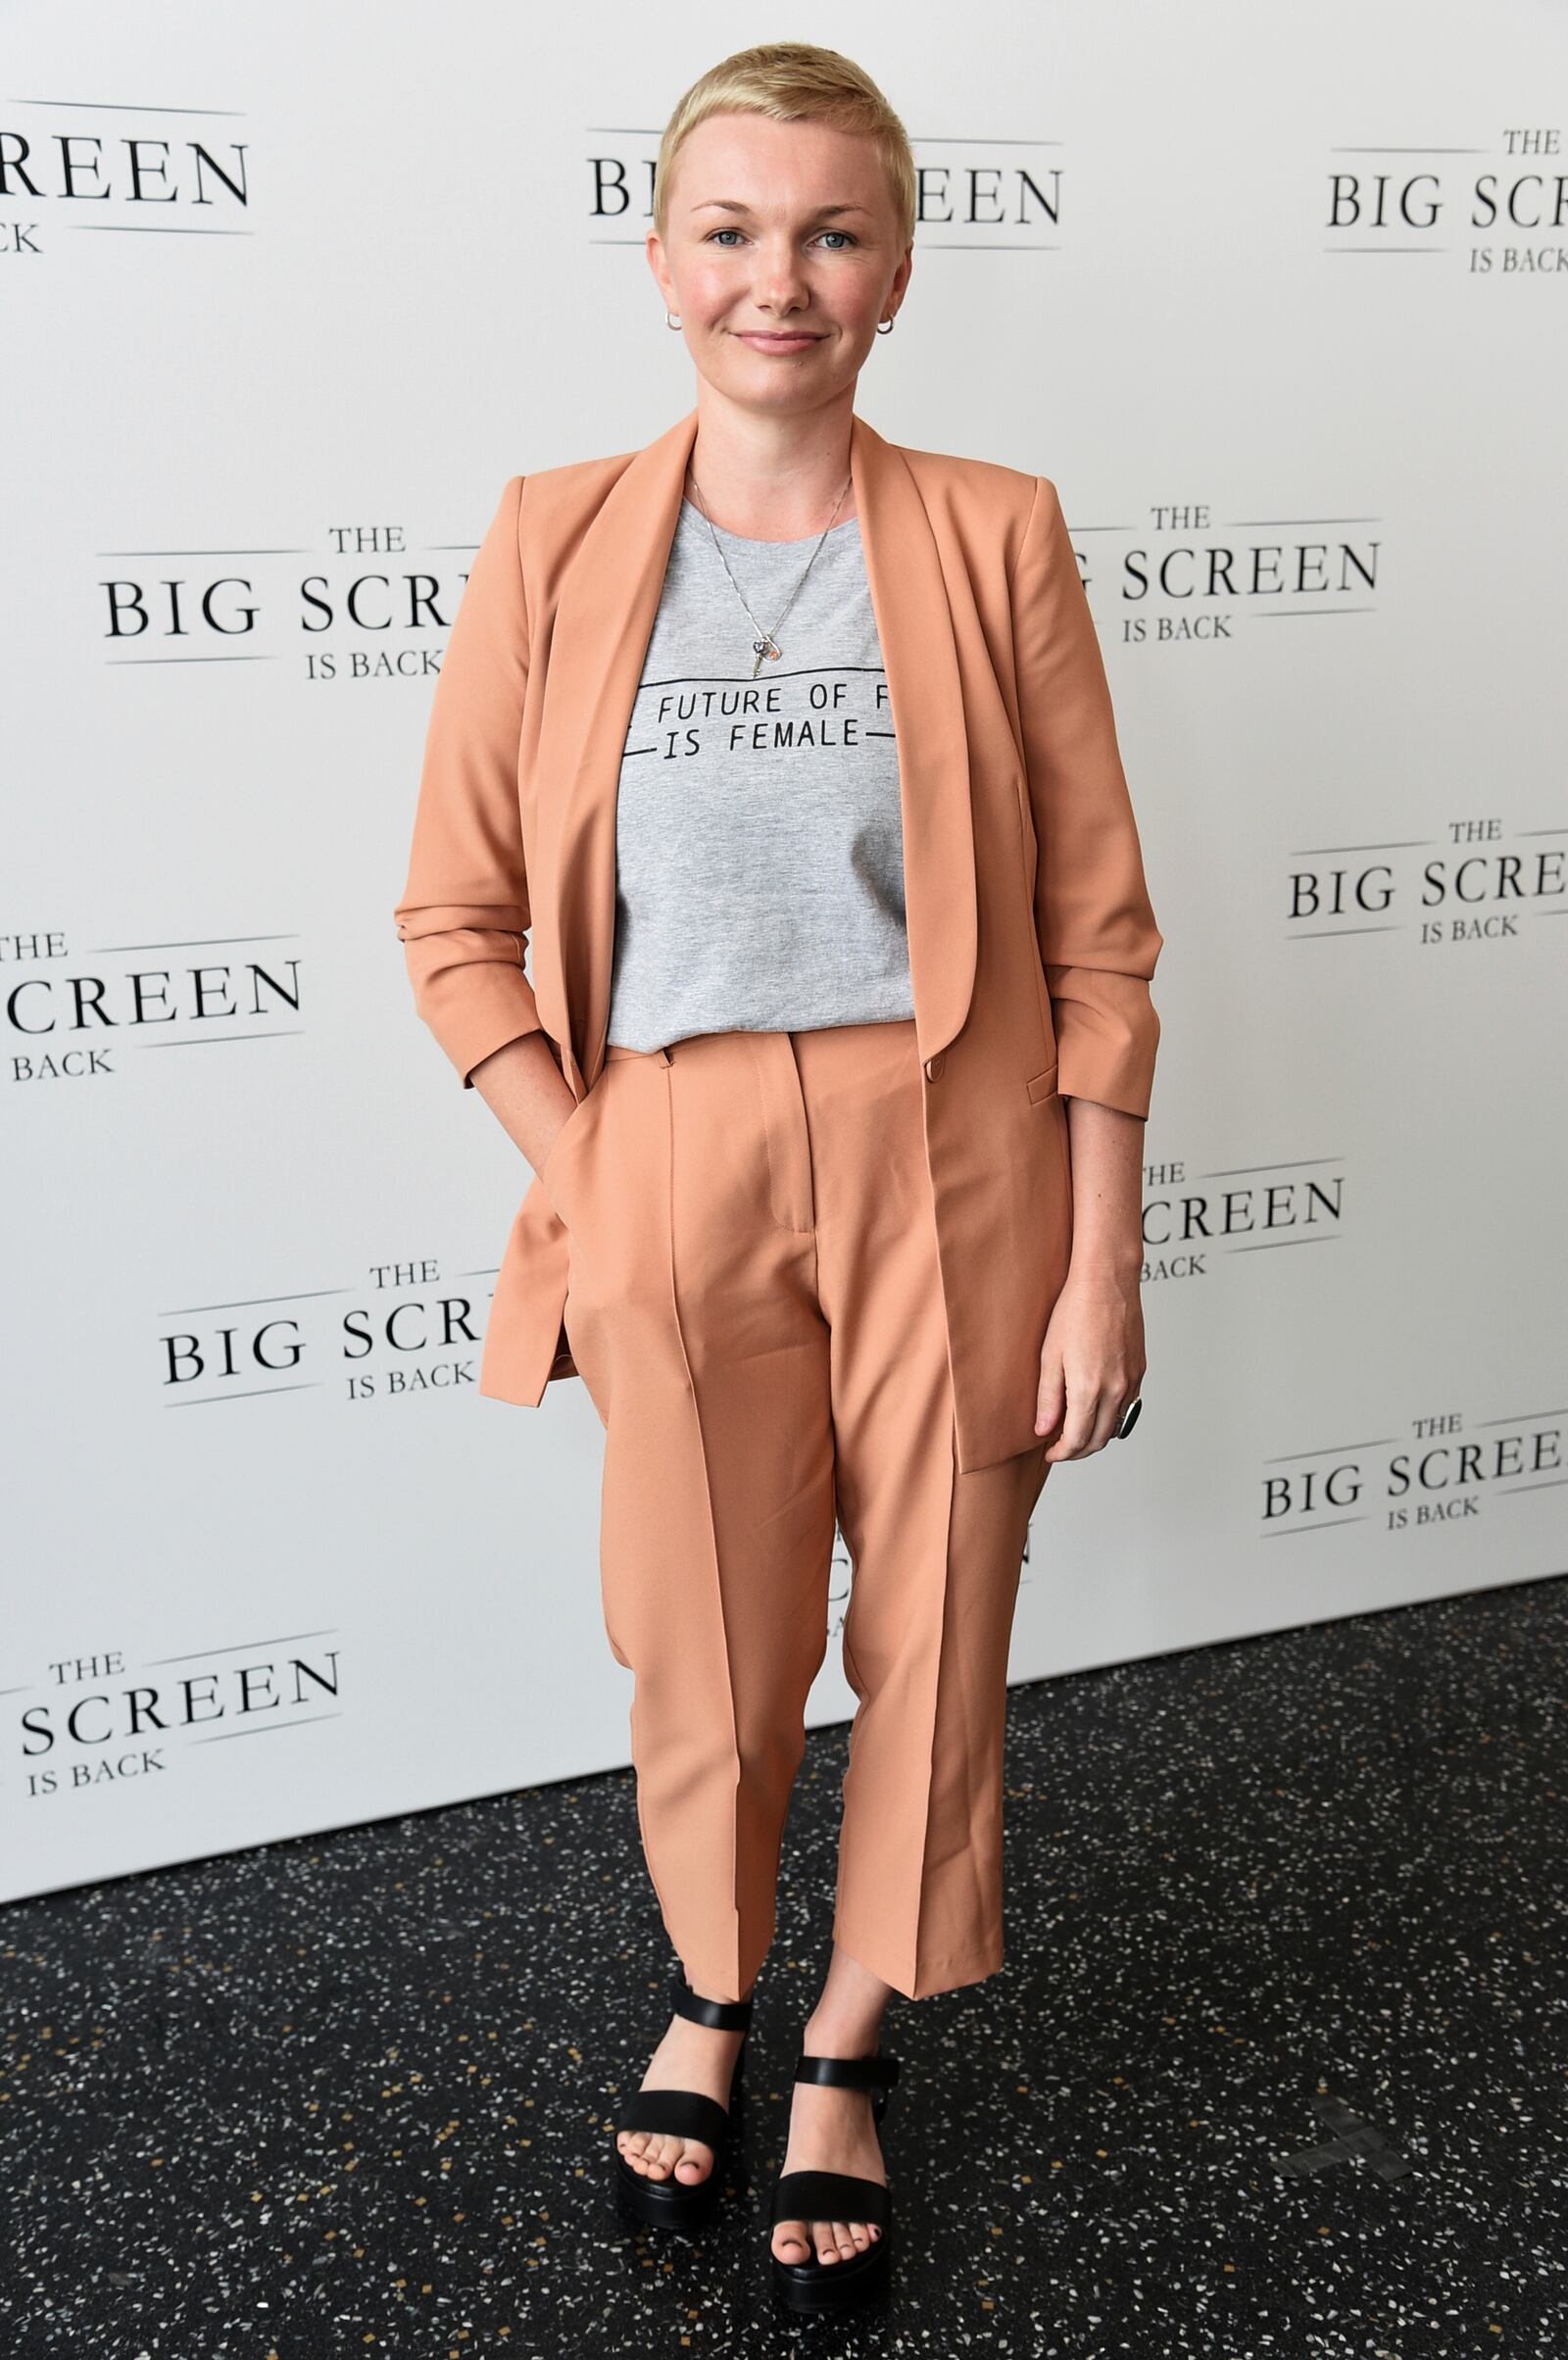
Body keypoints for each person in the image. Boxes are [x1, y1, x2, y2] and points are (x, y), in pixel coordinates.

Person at [393, 39, 1162, 2316]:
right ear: (658, 261)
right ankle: (710, 1990)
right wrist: (592, 1161)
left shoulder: (993, 530)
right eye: (731, 230)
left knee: (935, 1618)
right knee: (702, 1641)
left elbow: (1096, 936)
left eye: (830, 231)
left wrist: (1100, 1264)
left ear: (898, 267)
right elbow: (450, 918)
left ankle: (842, 2038)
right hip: (669, 1142)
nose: (779, 278)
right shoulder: (547, 537)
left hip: (959, 1146)